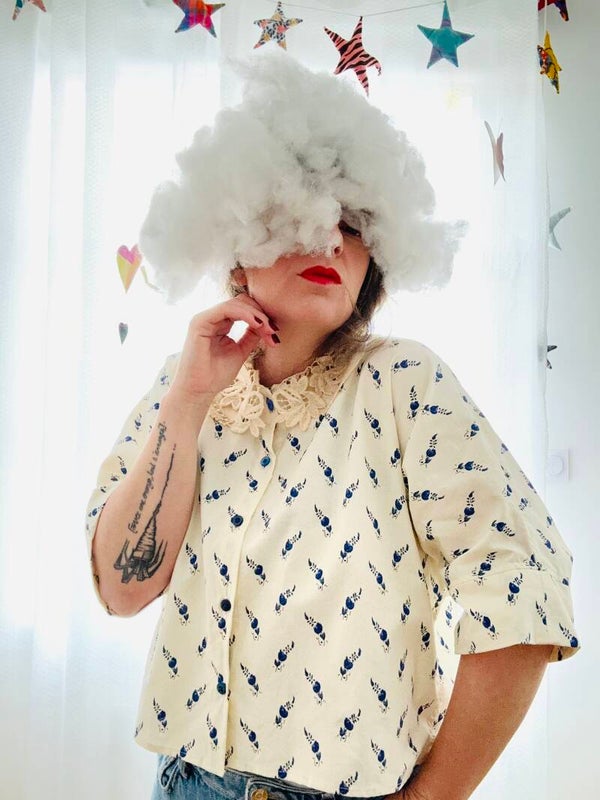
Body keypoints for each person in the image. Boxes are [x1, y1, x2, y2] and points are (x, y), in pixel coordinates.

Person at [84, 50, 579, 800]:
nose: (331, 239)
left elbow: (525, 589)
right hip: (182, 781)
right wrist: (186, 401)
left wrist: (434, 797)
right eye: (298, 214)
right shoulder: (182, 386)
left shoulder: (404, 383)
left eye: (355, 223)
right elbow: (122, 592)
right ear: (238, 251)